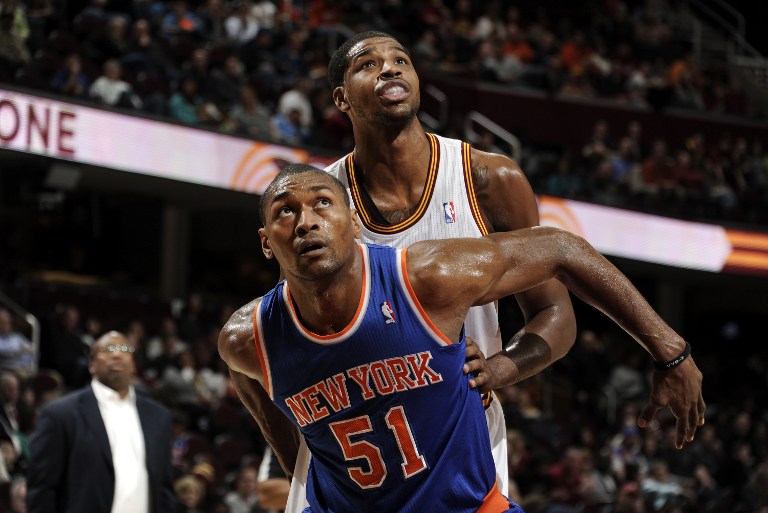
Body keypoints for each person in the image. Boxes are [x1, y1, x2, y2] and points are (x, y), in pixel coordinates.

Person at [233, 30, 705, 512]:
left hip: (456, 439)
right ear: (341, 99)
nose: (390, 68)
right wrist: (295, 461)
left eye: (401, 59)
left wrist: (496, 370)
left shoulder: (487, 179)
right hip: (352, 452)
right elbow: (286, 333)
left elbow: (555, 315)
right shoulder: (318, 199)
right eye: (368, 64)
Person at [26, 331, 176, 513]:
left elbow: (164, 488)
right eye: (108, 349)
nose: (117, 354)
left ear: (133, 365)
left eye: (124, 349)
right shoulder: (60, 414)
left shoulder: (159, 416)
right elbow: (41, 490)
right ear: (92, 365)